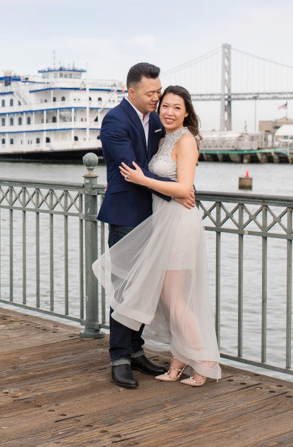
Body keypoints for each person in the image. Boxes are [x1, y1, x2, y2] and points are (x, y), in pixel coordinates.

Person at [93, 85, 221, 386]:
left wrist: (142, 179)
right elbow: (158, 173)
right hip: (159, 220)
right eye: (164, 104)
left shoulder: (186, 140)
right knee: (166, 297)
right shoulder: (162, 137)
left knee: (172, 298)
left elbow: (182, 187)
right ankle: (178, 360)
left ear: (187, 112)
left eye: (176, 107)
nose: (167, 110)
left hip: (177, 223)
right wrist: (132, 181)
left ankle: (203, 361)